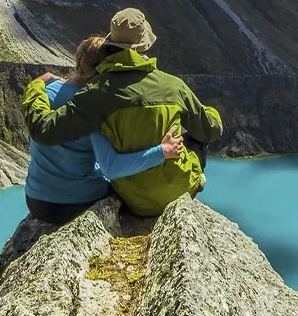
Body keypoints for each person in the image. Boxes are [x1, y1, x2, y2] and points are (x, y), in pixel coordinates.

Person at [23, 8, 224, 217]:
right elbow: (211, 129)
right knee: (196, 137)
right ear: (144, 44)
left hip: (127, 197)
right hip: (171, 188)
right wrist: (207, 112)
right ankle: (193, 183)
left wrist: (35, 86)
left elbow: (45, 129)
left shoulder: (96, 93)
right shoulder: (174, 85)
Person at [24, 35, 185, 225]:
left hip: (35, 201)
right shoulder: (94, 105)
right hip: (73, 205)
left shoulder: (48, 88)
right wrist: (162, 151)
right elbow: (111, 167)